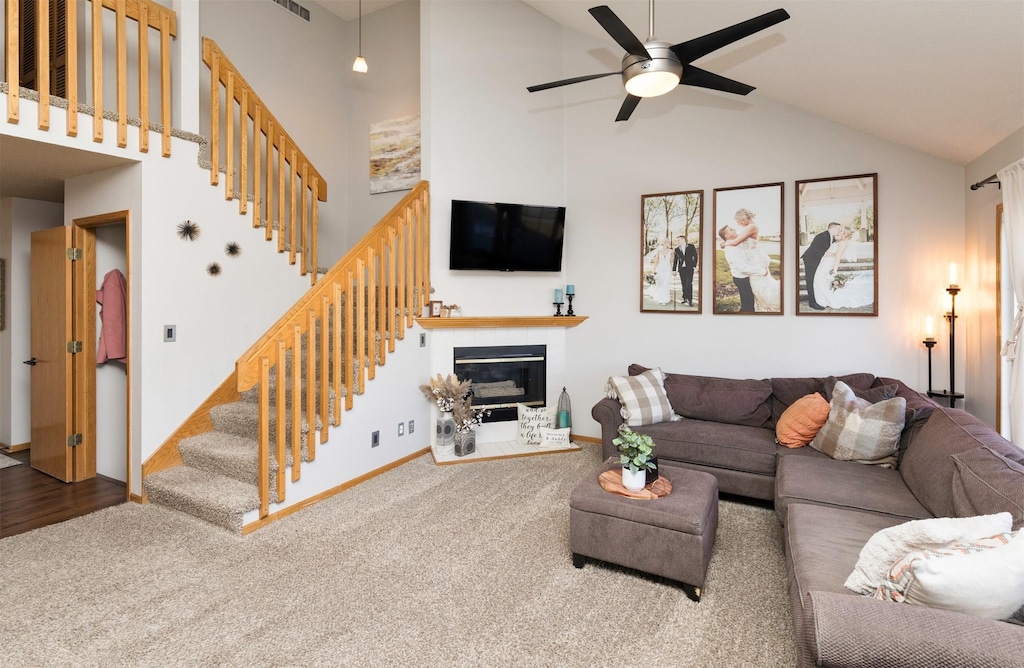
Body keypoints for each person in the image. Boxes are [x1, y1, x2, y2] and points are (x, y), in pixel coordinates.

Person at [718, 225, 779, 312]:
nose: (734, 229)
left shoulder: (735, 242)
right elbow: (743, 268)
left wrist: (724, 242)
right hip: (742, 279)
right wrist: (762, 272)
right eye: (731, 230)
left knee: (750, 303)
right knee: (748, 305)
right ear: (727, 235)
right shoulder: (731, 249)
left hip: (746, 277)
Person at [813, 226, 874, 309]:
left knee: (818, 279)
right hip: (825, 261)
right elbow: (833, 252)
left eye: (842, 231)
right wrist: (826, 253)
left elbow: (838, 256)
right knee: (820, 280)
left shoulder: (843, 242)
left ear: (845, 235)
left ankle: (823, 301)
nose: (840, 231)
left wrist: (835, 270)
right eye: (841, 230)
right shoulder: (839, 240)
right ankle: (823, 300)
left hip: (828, 263)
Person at [801, 222, 841, 310]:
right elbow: (814, 248)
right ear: (832, 228)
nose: (839, 230)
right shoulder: (822, 236)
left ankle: (815, 298)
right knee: (810, 279)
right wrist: (826, 253)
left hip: (818, 260)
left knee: (815, 279)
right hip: (811, 259)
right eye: (838, 229)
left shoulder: (831, 237)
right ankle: (812, 302)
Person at [644, 238, 673, 306]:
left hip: (668, 269)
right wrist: (654, 270)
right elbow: (656, 261)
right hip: (660, 269)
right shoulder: (658, 251)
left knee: (666, 283)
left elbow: (672, 261)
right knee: (660, 283)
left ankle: (664, 299)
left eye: (669, 242)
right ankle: (660, 297)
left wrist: (673, 270)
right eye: (668, 242)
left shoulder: (671, 251)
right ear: (664, 242)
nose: (669, 243)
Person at [672, 234, 698, 306]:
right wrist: (674, 270)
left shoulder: (691, 246)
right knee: (683, 284)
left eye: (679, 240)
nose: (678, 241)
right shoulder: (677, 249)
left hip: (689, 268)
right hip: (681, 269)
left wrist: (694, 265)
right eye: (677, 240)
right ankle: (685, 298)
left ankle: (690, 300)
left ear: (683, 239)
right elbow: (675, 260)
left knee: (689, 283)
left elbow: (695, 256)